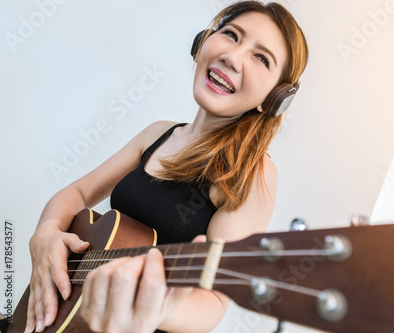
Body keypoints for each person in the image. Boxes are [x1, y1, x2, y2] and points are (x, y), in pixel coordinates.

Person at [24, 1, 309, 332]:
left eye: (261, 58)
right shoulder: (158, 133)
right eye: (231, 35)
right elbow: (78, 192)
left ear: (275, 97)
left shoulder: (251, 173)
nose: (232, 56)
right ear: (202, 42)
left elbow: (214, 301)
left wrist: (157, 308)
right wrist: (46, 233)